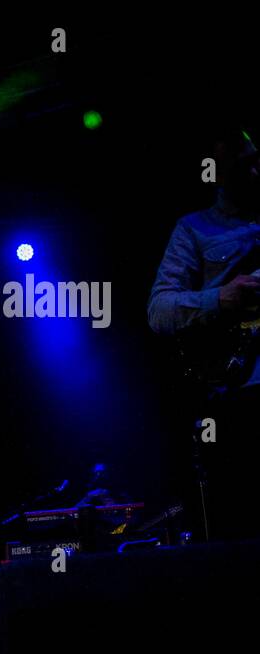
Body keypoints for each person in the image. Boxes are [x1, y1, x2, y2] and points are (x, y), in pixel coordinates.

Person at [148, 123, 260, 538]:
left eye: (253, 160)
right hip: (241, 391)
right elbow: (159, 311)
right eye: (239, 165)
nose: (252, 171)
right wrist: (220, 298)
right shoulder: (194, 229)